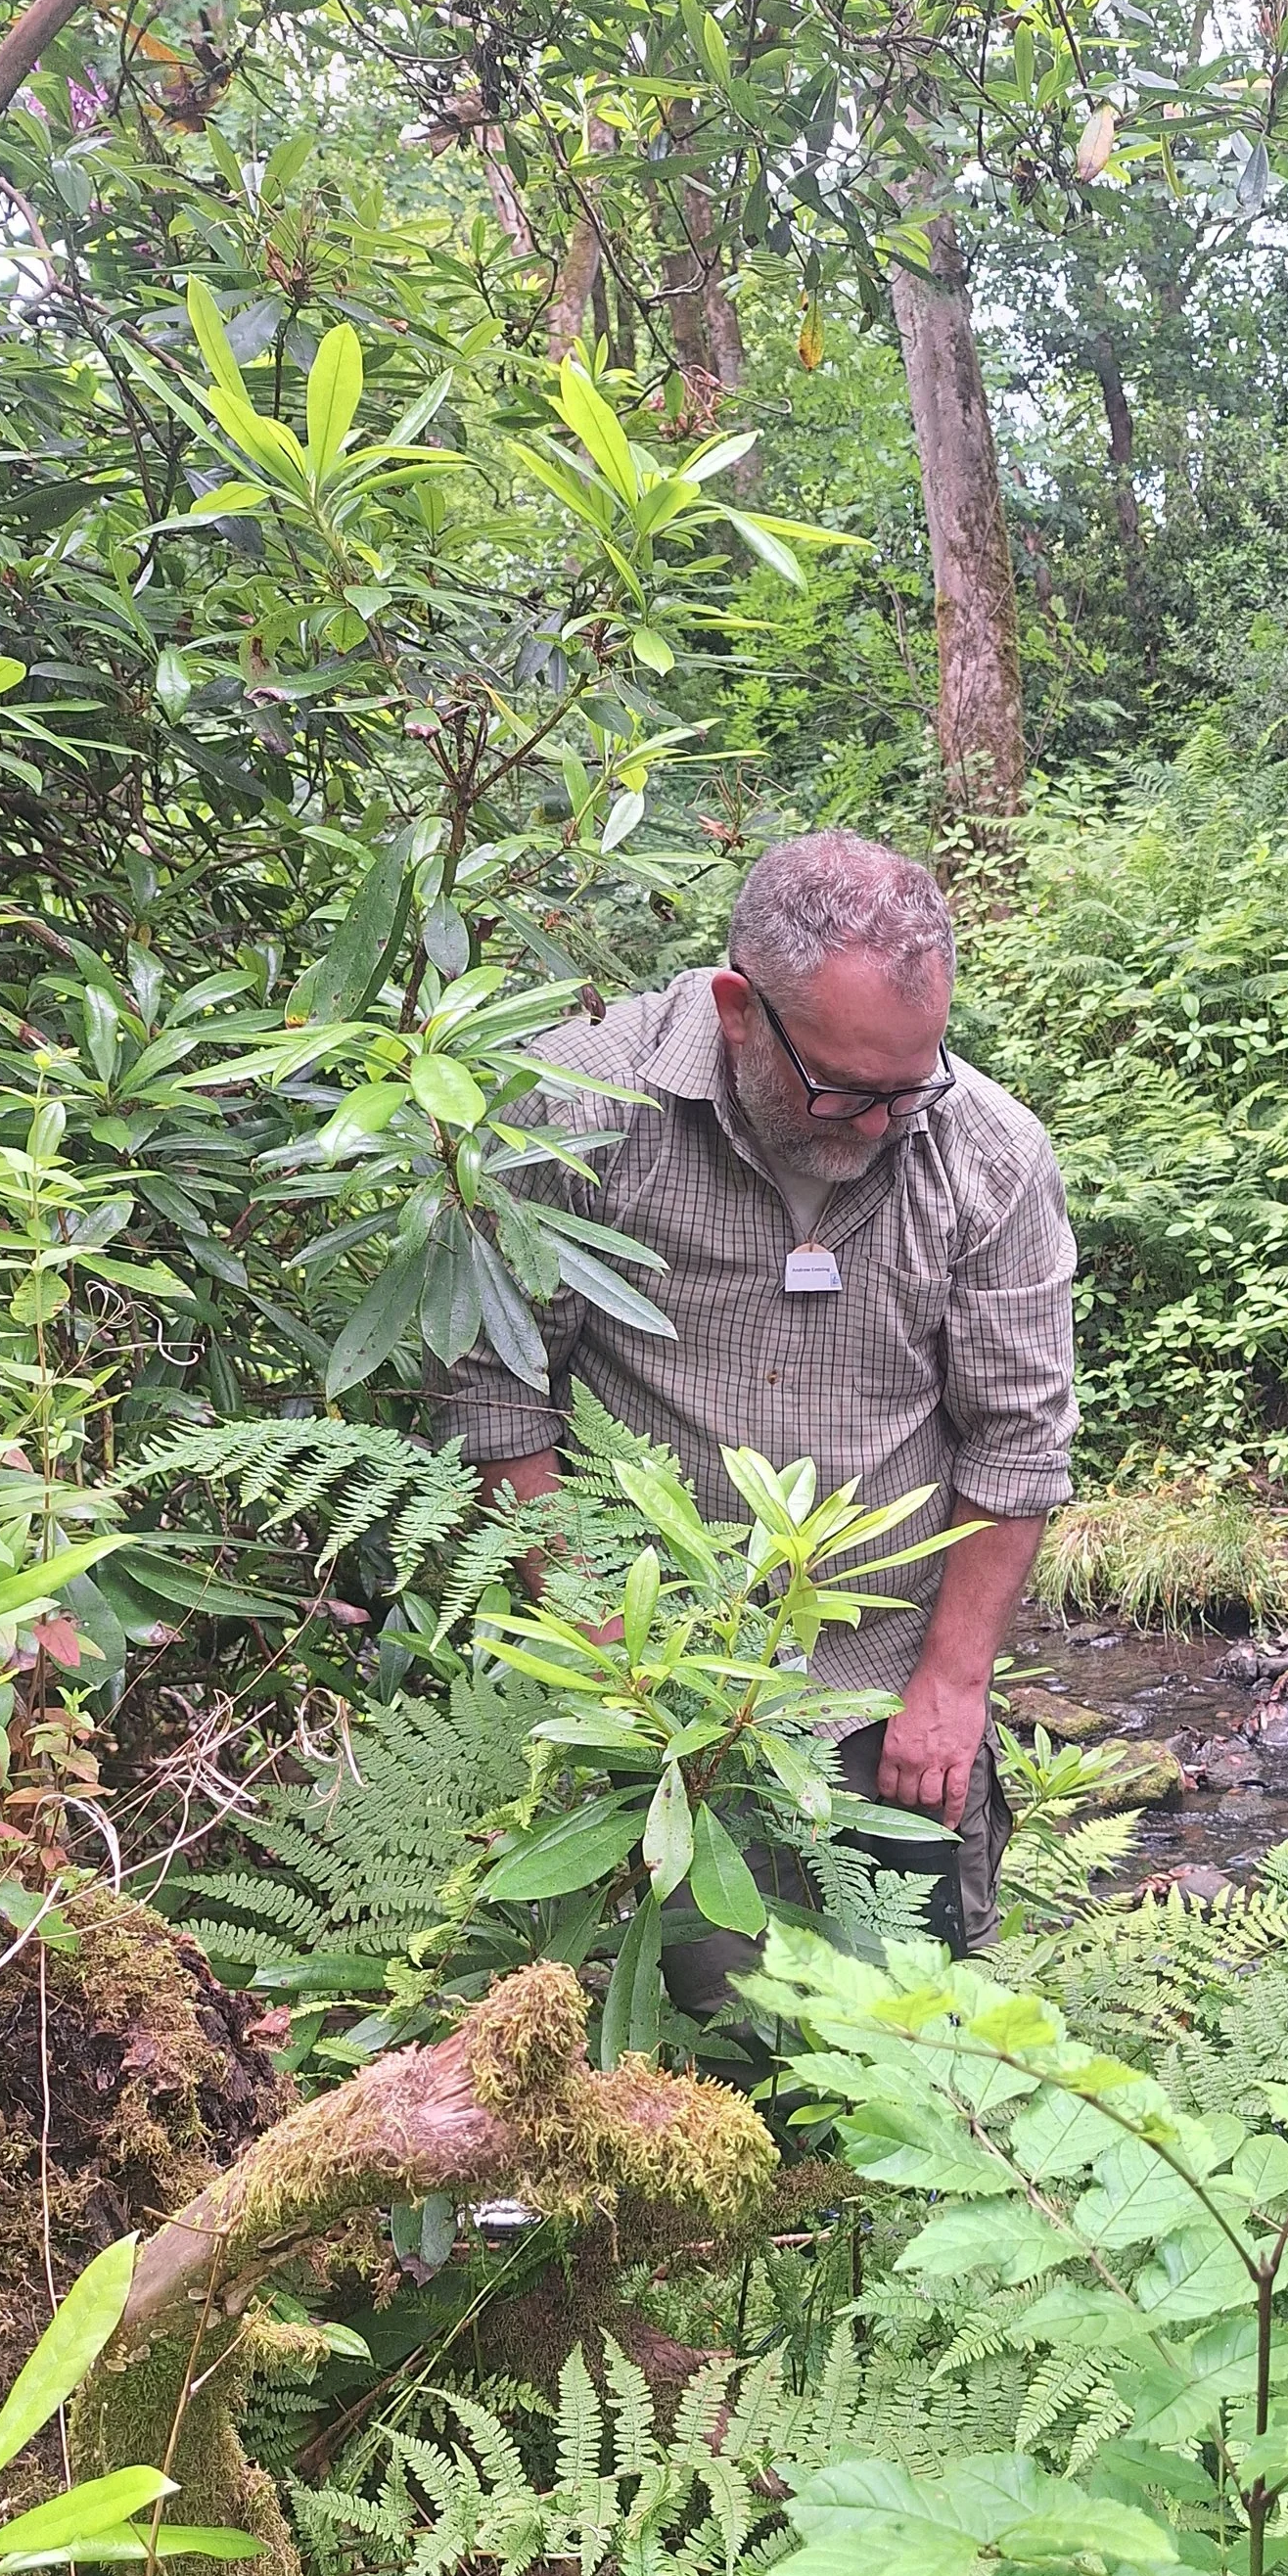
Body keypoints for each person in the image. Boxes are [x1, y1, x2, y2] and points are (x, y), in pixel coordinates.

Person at [431, 830, 1079, 1988]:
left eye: (909, 1085)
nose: (883, 1124)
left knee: (913, 2057)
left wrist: (953, 1684)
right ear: (739, 1009)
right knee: (673, 2054)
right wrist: (601, 1652)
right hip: (643, 1684)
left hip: (890, 1701)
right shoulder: (578, 1103)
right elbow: (499, 1388)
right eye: (844, 1091)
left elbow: (1018, 1440)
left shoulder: (987, 1153)